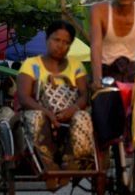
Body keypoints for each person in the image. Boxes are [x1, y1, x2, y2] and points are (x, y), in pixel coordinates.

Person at [17, 20, 94, 189]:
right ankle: (49, 166)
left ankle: (70, 162)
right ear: (47, 39)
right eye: (56, 40)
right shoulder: (31, 64)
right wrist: (47, 113)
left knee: (83, 116)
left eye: (66, 42)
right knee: (36, 117)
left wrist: (72, 109)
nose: (61, 45)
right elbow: (23, 97)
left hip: (69, 116)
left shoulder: (76, 66)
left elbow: (84, 95)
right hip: (40, 113)